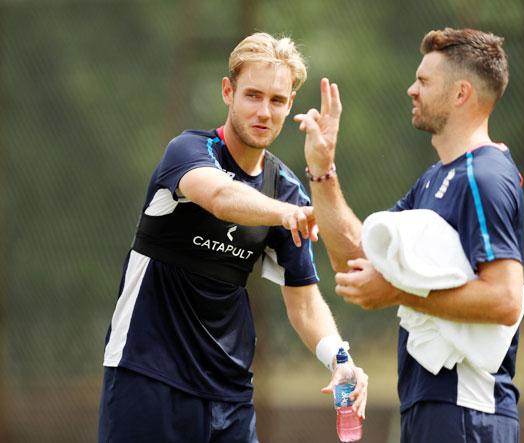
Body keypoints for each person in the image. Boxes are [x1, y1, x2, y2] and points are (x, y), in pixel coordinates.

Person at [98, 32, 368, 443]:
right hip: (148, 374)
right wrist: (287, 214)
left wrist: (339, 357)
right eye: (252, 95)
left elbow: (304, 301)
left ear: (290, 105)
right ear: (228, 91)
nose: (264, 111)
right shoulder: (189, 150)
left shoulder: (286, 187)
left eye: (277, 100)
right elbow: (221, 197)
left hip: (229, 396)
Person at [295, 27, 524, 442]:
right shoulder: (436, 179)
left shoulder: (484, 177)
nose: (411, 90)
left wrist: (398, 292)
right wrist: (322, 169)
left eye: (423, 81)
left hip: (468, 415)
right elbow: (355, 260)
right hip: (430, 412)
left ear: (461, 94)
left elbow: (505, 299)